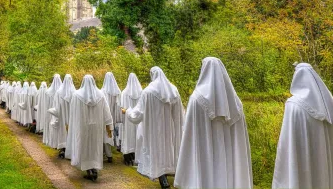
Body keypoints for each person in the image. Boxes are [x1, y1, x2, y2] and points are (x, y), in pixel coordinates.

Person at [174, 57, 253, 189]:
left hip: (205, 157)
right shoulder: (236, 104)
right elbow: (239, 143)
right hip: (229, 162)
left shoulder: (196, 100)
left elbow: (189, 134)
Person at [272, 63, 333, 189]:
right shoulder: (328, 105)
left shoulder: (294, 105)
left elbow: (287, 143)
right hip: (322, 161)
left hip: (300, 159)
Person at [125, 66, 184, 189]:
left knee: (157, 151)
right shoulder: (173, 90)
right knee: (169, 149)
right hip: (170, 129)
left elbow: (138, 114)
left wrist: (128, 112)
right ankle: (171, 173)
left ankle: (162, 178)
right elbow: (180, 113)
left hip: (154, 130)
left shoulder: (148, 92)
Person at [65, 75, 114, 181]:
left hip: (82, 126)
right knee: (94, 146)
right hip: (96, 127)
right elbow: (107, 112)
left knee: (84, 146)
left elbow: (73, 113)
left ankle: (88, 169)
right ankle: (94, 168)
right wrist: (109, 125)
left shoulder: (77, 95)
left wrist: (71, 125)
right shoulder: (101, 95)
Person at [52, 74, 76, 158]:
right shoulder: (75, 92)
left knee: (62, 131)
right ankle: (71, 148)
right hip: (72, 117)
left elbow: (56, 105)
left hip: (62, 116)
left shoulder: (59, 92)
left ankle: (62, 149)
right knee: (71, 131)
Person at [121, 73, 142, 165]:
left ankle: (128, 156)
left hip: (128, 117)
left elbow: (123, 108)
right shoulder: (142, 92)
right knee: (137, 134)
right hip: (138, 118)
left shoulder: (125, 93)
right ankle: (137, 155)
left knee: (129, 136)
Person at [101, 71, 122, 163]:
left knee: (104, 134)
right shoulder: (117, 92)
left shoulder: (102, 91)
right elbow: (119, 106)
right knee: (110, 134)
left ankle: (106, 154)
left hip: (105, 118)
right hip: (113, 117)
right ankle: (109, 155)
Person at [43, 74, 62, 148]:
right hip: (58, 111)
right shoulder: (62, 92)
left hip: (50, 111)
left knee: (50, 124)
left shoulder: (48, 92)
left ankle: (51, 139)